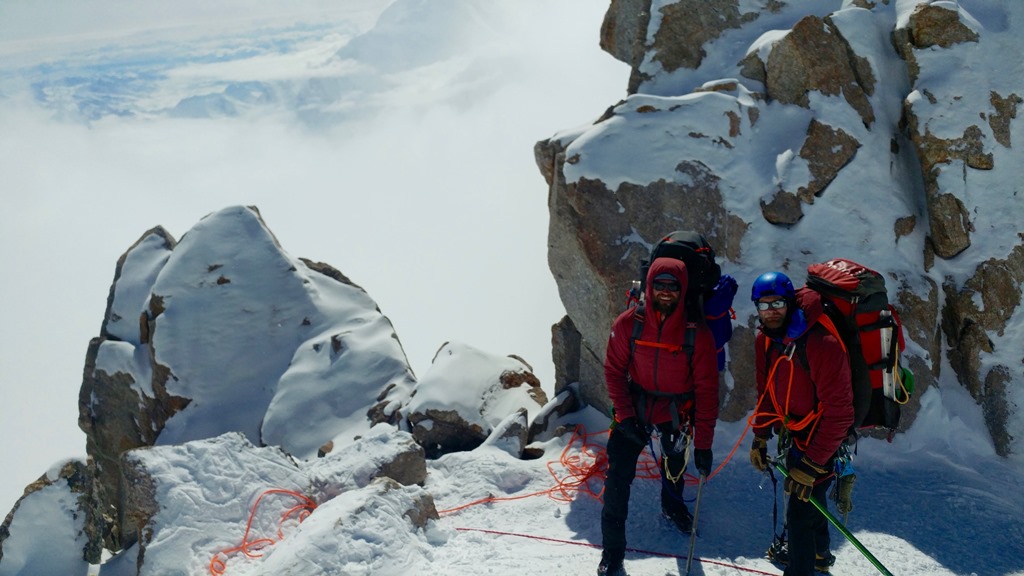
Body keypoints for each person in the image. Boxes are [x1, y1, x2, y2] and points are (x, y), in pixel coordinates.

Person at [597, 257, 720, 576]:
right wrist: (625, 417)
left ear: (683, 290)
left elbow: (707, 392)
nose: (666, 292)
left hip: (676, 409)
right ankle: (612, 553)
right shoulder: (629, 323)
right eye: (660, 285)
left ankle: (672, 505)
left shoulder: (697, 334)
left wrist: (704, 446)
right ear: (649, 286)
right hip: (634, 402)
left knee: (675, 464)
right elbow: (613, 371)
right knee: (617, 479)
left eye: (673, 286)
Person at [747, 271, 854, 576]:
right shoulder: (766, 341)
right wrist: (760, 436)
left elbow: (841, 414)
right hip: (795, 434)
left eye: (778, 303)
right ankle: (819, 556)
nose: (771, 311)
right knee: (810, 502)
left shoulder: (822, 342)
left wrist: (811, 465)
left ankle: (802, 567)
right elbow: (766, 391)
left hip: (823, 439)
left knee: (798, 515)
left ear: (790, 302)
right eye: (764, 306)